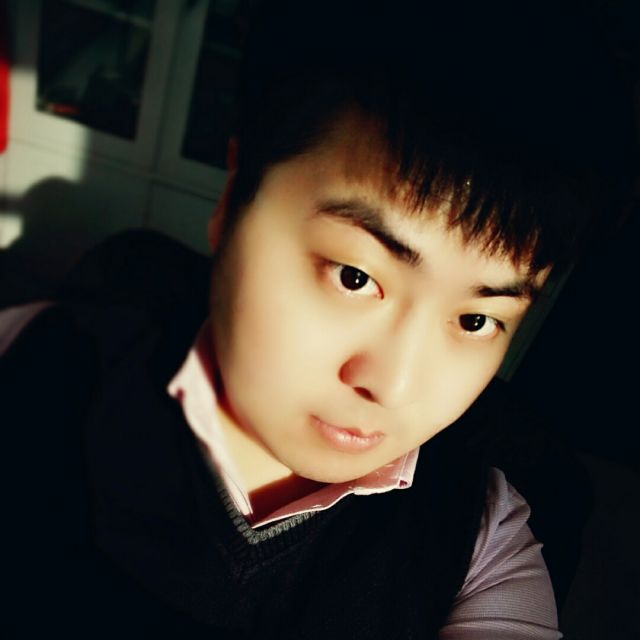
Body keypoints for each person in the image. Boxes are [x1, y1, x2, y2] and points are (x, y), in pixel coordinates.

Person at [2, 1, 633, 637]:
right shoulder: (35, 356)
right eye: (355, 277)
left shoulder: (482, 550)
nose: (395, 385)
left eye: (475, 321)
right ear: (232, 199)